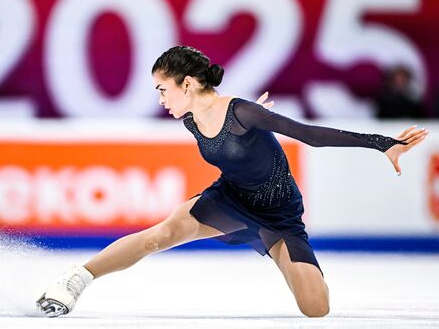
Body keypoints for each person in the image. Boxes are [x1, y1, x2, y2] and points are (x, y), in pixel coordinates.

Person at [36, 46, 428, 318]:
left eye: (162, 89)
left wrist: (381, 143)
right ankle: (74, 280)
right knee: (162, 233)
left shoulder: (243, 112)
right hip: (230, 199)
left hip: (279, 213)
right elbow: (237, 149)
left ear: (187, 84)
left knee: (315, 308)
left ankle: (275, 248)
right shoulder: (191, 118)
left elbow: (308, 133)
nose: (158, 98)